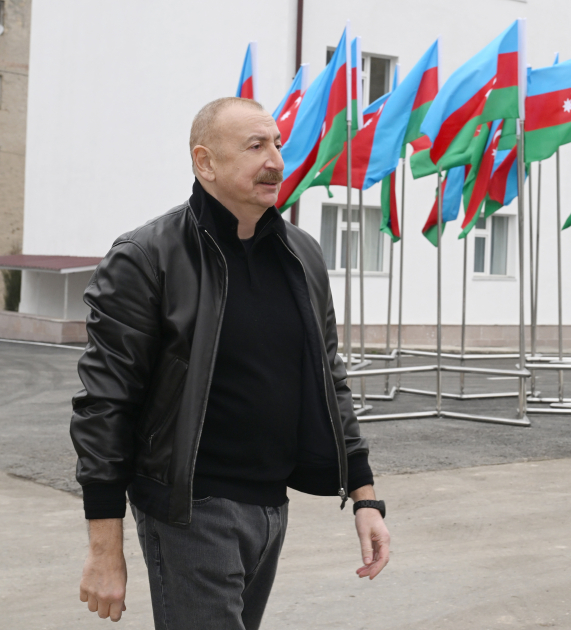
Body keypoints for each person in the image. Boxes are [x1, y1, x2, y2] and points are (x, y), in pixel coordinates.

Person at [70, 96, 390, 629]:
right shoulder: (146, 257)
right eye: (255, 146)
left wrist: (366, 498)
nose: (276, 161)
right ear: (206, 162)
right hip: (192, 512)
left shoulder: (302, 255)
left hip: (272, 508)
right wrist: (105, 548)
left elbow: (330, 380)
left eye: (277, 145)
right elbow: (104, 404)